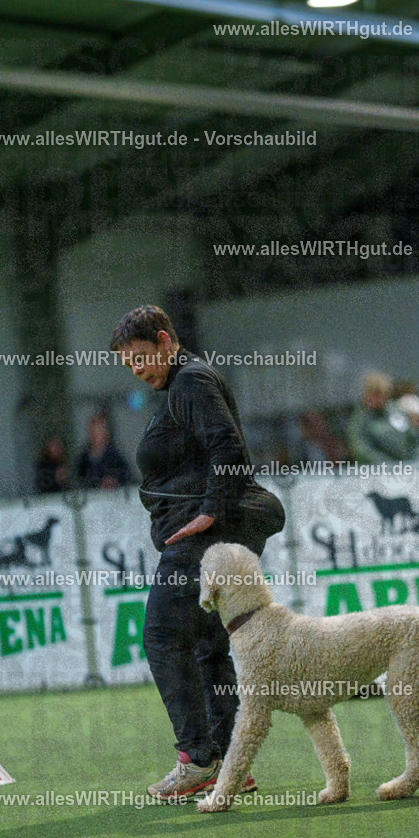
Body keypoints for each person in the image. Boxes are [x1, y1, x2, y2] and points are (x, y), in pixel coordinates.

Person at [110, 305, 285, 800]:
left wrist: (207, 512)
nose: (138, 369)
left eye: (142, 357)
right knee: (208, 646)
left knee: (162, 635)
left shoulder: (190, 382)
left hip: (208, 532)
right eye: (128, 364)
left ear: (165, 341)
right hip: (218, 528)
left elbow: (227, 446)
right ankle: (231, 766)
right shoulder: (179, 385)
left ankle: (195, 758)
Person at [346, 372, 419, 464]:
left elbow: (412, 440)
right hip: (378, 471)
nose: (380, 400)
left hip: (407, 467)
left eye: (383, 395)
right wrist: (389, 465)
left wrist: (414, 429)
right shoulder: (358, 421)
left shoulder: (395, 411)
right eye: (375, 395)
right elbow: (361, 451)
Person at [76, 411, 131, 490]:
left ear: (105, 432)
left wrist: (114, 481)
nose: (96, 434)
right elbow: (79, 479)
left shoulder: (114, 455)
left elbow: (126, 475)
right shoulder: (84, 457)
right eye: (93, 430)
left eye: (99, 429)